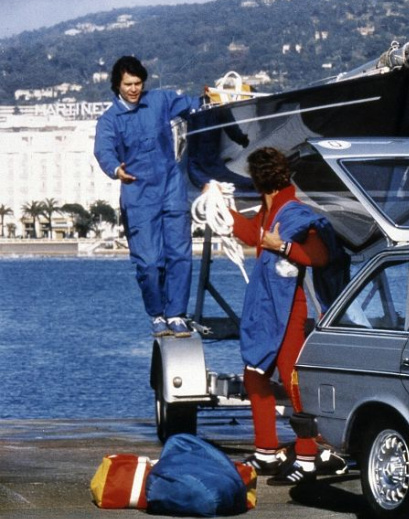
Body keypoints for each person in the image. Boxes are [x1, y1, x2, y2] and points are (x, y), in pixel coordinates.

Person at [226, 146, 345, 481]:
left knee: (295, 383)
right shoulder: (271, 209)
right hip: (268, 309)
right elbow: (255, 236)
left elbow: (319, 256)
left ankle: (307, 456)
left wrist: (283, 247)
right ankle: (266, 451)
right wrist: (223, 210)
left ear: (256, 180)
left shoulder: (293, 212)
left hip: (290, 309)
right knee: (255, 376)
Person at [93, 55, 198, 337]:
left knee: (180, 255)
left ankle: (176, 313)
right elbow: (103, 150)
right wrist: (116, 170)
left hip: (171, 187)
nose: (134, 89)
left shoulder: (159, 101)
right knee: (150, 263)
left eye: (138, 83)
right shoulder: (109, 120)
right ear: (117, 85)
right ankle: (158, 314)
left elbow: (190, 104)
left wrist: (210, 100)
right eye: (128, 84)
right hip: (138, 194)